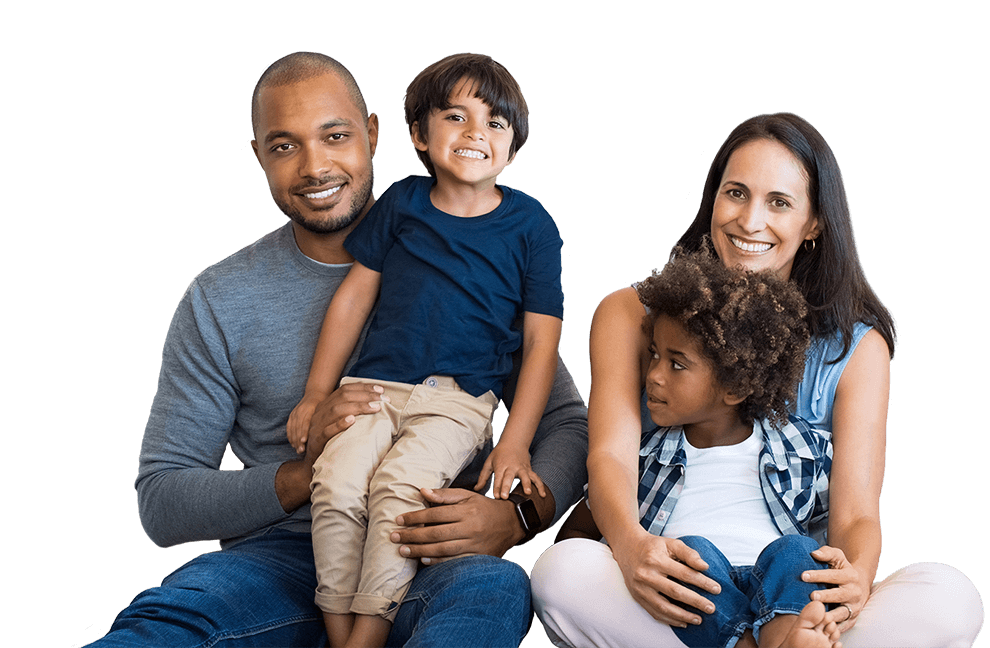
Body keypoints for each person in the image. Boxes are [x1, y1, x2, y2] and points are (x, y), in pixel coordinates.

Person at [91, 52, 587, 648]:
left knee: (492, 592)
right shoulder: (218, 298)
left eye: (335, 136)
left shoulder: (478, 252)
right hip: (277, 557)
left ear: (374, 134)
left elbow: (566, 420)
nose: (315, 166)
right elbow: (162, 502)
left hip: (427, 546)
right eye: (284, 146)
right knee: (167, 621)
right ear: (257, 156)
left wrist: (515, 518)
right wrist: (309, 474)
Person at [531, 112, 983, 647]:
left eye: (779, 202)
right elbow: (608, 456)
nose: (749, 221)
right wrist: (631, 550)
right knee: (561, 571)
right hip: (676, 585)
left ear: (815, 222)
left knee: (951, 597)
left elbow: (857, 512)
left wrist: (855, 580)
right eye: (736, 193)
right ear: (712, 198)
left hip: (792, 590)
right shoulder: (630, 312)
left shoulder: (856, 347)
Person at [284, 53, 564, 648]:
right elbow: (353, 300)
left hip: (457, 403)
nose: (474, 134)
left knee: (398, 489)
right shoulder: (402, 203)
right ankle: (341, 632)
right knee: (334, 482)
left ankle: (369, 630)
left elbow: (542, 341)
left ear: (512, 149)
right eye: (456, 116)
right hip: (375, 390)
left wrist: (515, 440)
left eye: (495, 123)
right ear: (418, 133)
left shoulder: (531, 226)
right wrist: (316, 394)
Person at [555, 245, 844, 648]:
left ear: (737, 387)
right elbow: (581, 529)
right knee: (690, 553)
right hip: (697, 596)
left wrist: (846, 564)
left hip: (773, 586)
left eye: (676, 364)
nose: (653, 375)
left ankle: (786, 634)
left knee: (798, 551)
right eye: (653, 355)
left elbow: (842, 523)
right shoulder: (643, 457)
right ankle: (747, 642)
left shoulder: (801, 447)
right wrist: (596, 567)